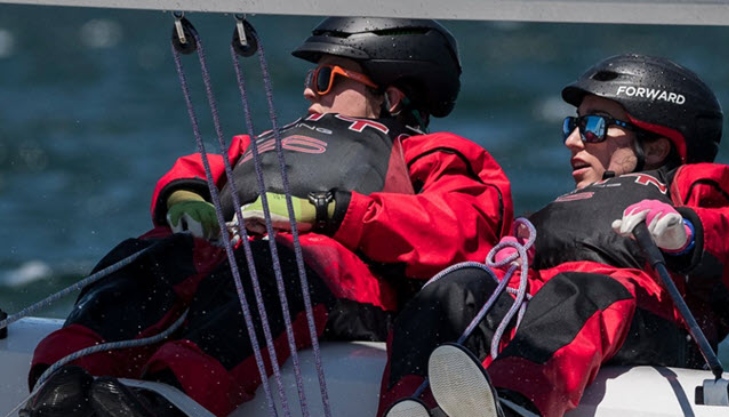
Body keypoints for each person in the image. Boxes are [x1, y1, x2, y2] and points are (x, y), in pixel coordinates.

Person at [23, 17, 514, 417]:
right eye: (309, 79)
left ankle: (176, 400)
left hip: (335, 281)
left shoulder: (428, 151)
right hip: (232, 260)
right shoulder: (257, 144)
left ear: (391, 97)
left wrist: (329, 211)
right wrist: (185, 199)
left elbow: (463, 225)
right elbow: (204, 168)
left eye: (326, 79)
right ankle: (63, 380)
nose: (308, 93)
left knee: (273, 265)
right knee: (151, 255)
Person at [378, 54, 729, 417]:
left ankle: (514, 404)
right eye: (572, 126)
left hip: (649, 326)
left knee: (581, 290)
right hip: (549, 319)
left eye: (594, 126)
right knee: (456, 288)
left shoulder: (689, 184)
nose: (573, 141)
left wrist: (684, 233)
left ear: (657, 147)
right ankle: (410, 404)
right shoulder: (560, 207)